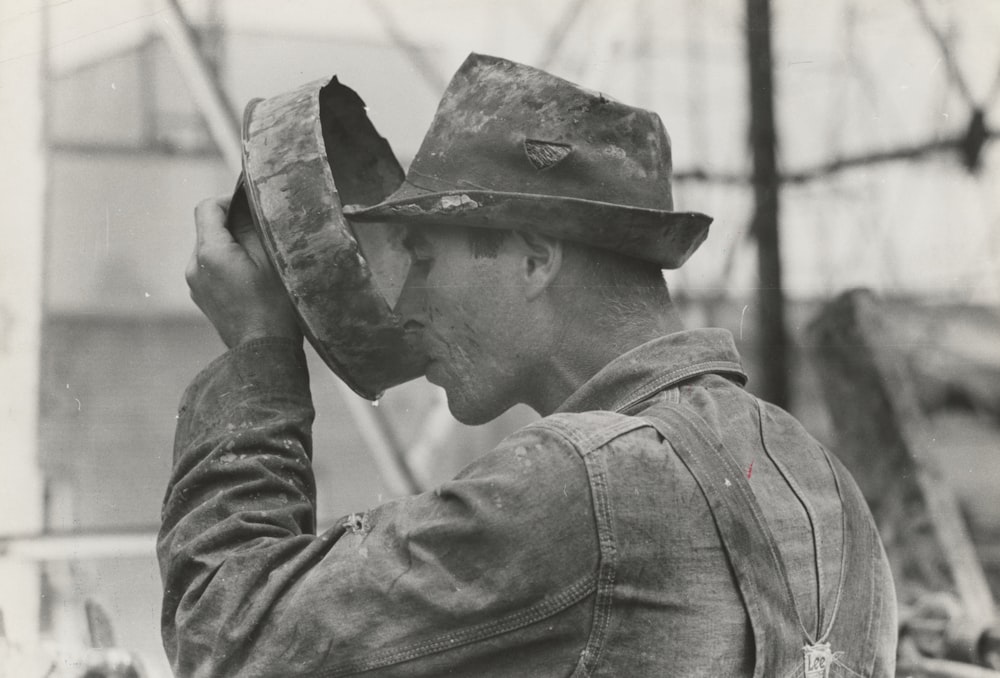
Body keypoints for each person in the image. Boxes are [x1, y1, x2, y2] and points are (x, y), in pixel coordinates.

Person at [159, 54, 897, 677]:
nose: (406, 304)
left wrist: (259, 351)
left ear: (535, 257)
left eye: (422, 257)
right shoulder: (824, 481)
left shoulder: (578, 485)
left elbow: (227, 633)